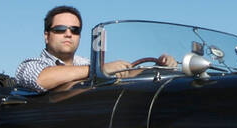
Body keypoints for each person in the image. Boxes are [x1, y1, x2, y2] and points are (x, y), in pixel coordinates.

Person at [15, 5, 176, 93]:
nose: (68, 34)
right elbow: (40, 79)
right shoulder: (29, 65)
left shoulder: (86, 64)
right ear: (46, 35)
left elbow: (123, 75)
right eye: (60, 29)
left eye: (74, 30)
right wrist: (100, 69)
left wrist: (159, 68)